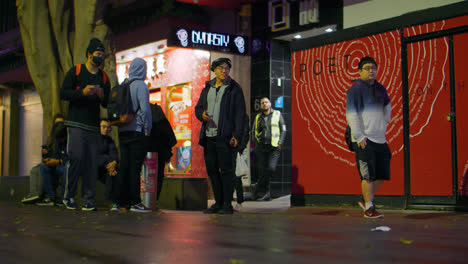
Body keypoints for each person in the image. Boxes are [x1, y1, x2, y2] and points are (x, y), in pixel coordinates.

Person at [60, 38, 110, 211]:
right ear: (89, 54)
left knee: (91, 163)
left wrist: (102, 96)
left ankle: (88, 199)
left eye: (102, 56)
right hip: (75, 123)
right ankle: (69, 196)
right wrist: (83, 92)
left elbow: (106, 103)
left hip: (93, 126)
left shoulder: (103, 77)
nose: (100, 58)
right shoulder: (76, 71)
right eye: (97, 55)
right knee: (76, 158)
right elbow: (63, 93)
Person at [195, 57, 246, 214]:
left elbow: (240, 115)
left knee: (226, 171)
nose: (224, 71)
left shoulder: (234, 88)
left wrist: (236, 135)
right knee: (212, 170)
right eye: (221, 68)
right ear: (214, 70)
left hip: (225, 136)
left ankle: (226, 205)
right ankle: (217, 203)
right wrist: (201, 114)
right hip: (209, 136)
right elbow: (198, 108)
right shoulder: (207, 88)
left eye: (227, 68)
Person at [346, 56, 392, 219]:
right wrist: (359, 136)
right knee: (367, 175)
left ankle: (366, 199)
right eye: (367, 68)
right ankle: (369, 208)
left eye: (373, 67)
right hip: (364, 139)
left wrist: (386, 119)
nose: (371, 70)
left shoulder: (380, 88)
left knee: (382, 174)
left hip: (380, 137)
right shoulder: (355, 89)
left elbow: (387, 104)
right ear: (359, 71)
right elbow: (351, 114)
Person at [114, 57, 152, 213]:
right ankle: (136, 202)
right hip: (136, 131)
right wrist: (147, 128)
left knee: (124, 167)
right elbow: (145, 109)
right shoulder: (141, 86)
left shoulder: (124, 85)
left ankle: (121, 202)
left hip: (122, 131)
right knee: (135, 168)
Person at [252, 97, 286, 201]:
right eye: (262, 103)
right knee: (262, 171)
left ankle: (257, 188)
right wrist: (256, 144)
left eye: (266, 102)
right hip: (262, 148)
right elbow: (253, 131)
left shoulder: (277, 114)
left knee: (271, 168)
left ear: (270, 104)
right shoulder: (258, 116)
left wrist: (280, 143)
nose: (264, 104)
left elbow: (283, 130)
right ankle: (266, 193)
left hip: (274, 147)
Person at [147, 103, 177, 203]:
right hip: (159, 150)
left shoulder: (137, 109)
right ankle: (154, 201)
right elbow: (169, 134)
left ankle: (143, 201)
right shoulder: (156, 110)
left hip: (145, 149)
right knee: (158, 176)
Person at [37, 114, 68, 206]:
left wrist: (58, 161)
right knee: (43, 167)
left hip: (64, 165)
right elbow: (55, 156)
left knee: (67, 168)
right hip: (56, 164)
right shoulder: (55, 138)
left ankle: (63, 198)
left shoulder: (70, 139)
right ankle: (51, 196)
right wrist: (47, 159)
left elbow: (72, 159)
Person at [96, 119, 119, 211]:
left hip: (106, 169)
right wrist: (110, 163)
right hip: (94, 168)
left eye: (109, 128)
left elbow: (114, 154)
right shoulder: (94, 139)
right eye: (104, 127)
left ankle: (112, 201)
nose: (106, 129)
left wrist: (114, 163)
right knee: (111, 170)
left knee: (115, 173)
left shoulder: (110, 140)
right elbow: (96, 156)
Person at [233, 114, 250, 211]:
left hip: (236, 148)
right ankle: (227, 201)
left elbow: (245, 133)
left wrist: (240, 148)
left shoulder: (243, 116)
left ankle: (239, 201)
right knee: (229, 175)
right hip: (227, 147)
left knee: (237, 176)